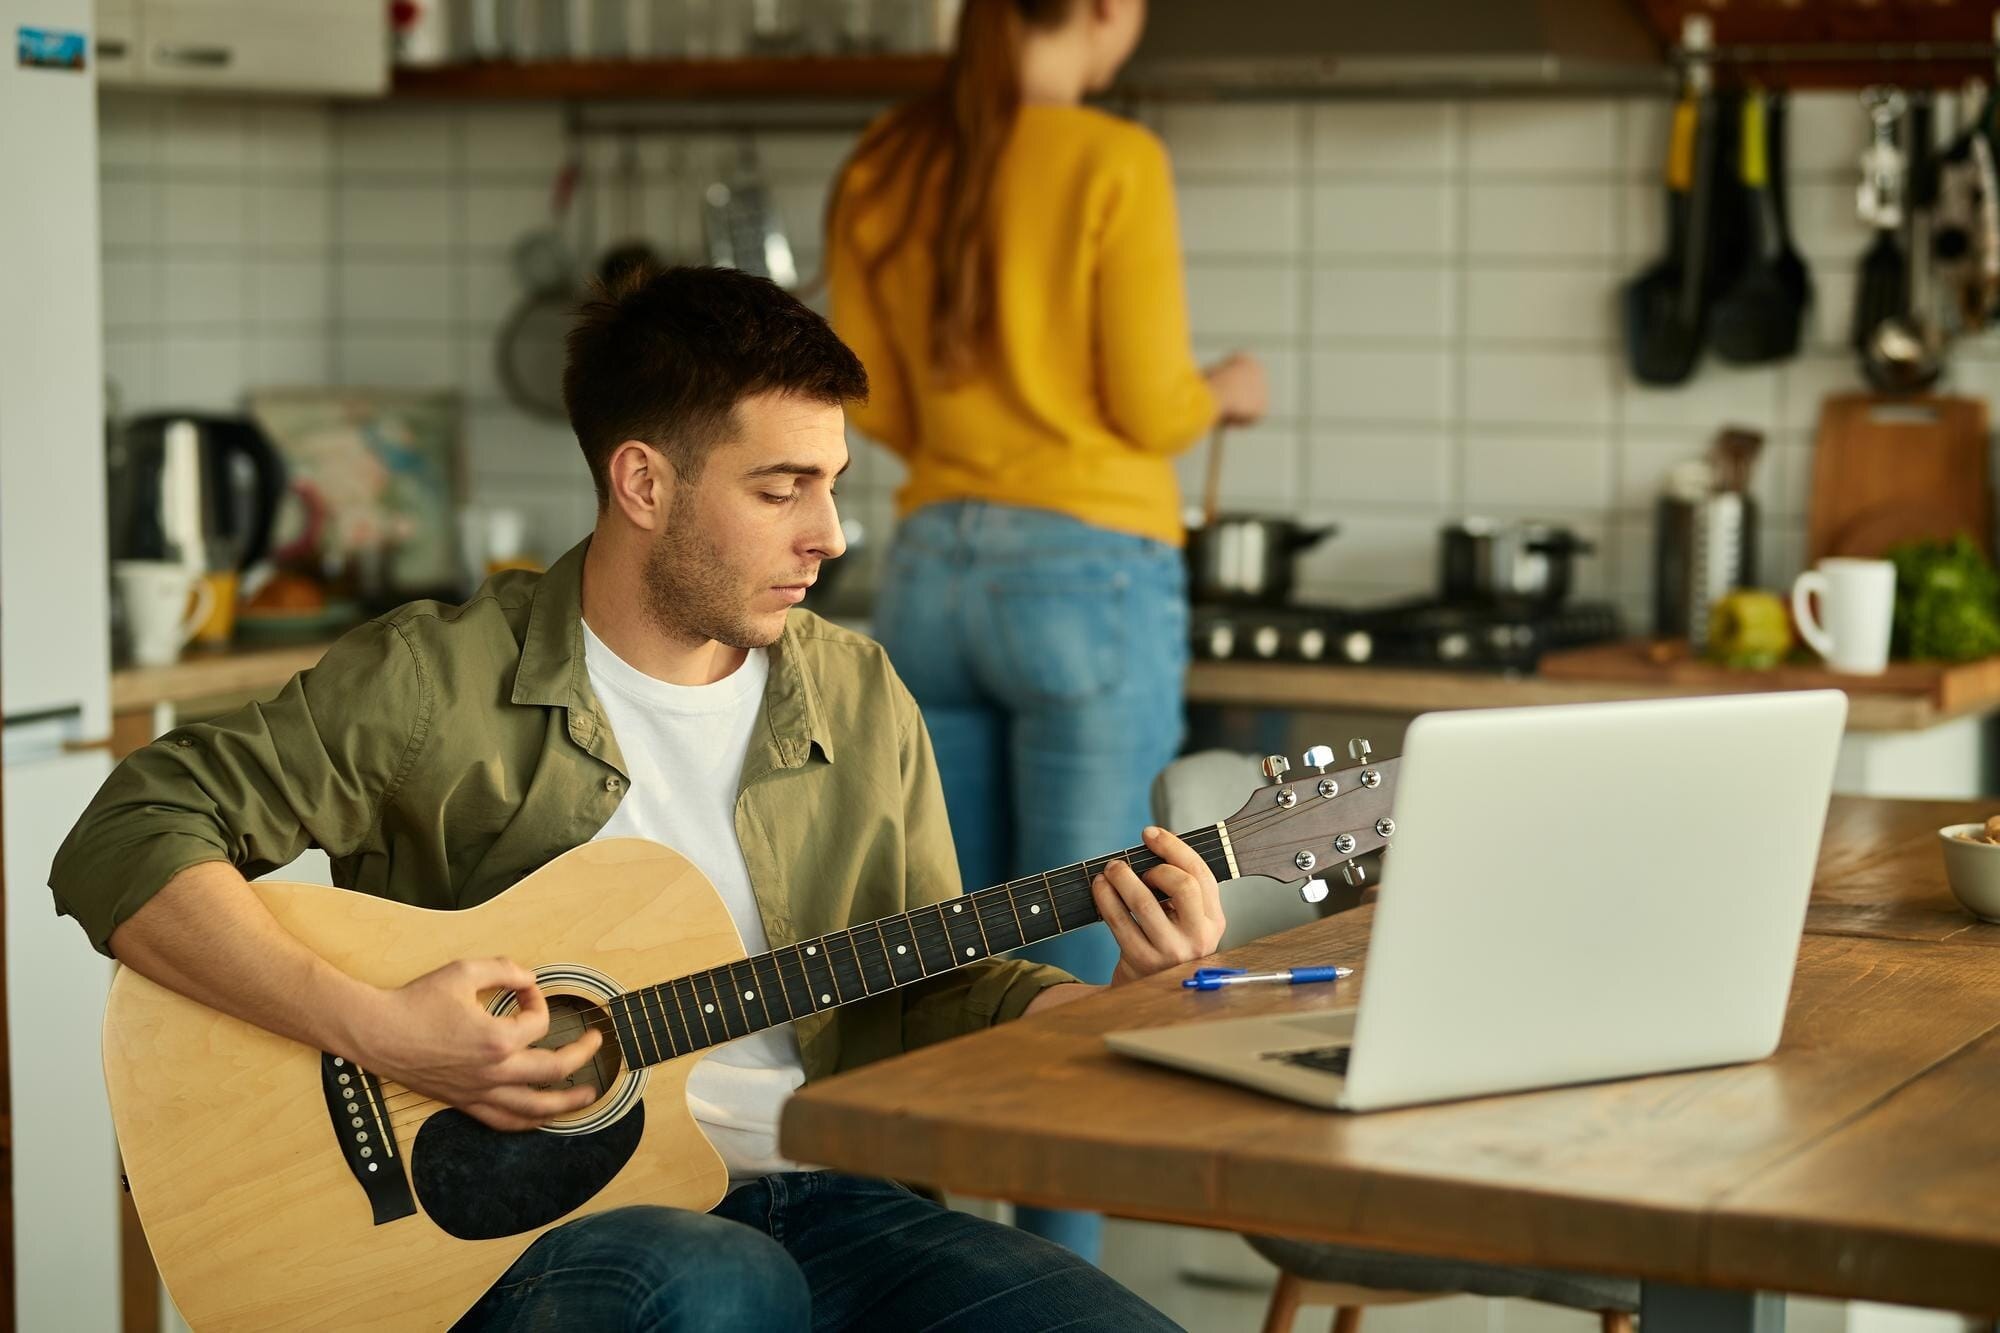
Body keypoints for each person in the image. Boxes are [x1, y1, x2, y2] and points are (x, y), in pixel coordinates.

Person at [48, 265, 1226, 1331]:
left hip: (828, 1200)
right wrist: (383, 1030)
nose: (828, 535)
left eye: (833, 486)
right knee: (721, 1286)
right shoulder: (434, 679)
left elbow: (927, 988)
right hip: (515, 1239)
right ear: (643, 482)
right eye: (782, 489)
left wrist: (1105, 1006)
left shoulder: (857, 693)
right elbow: (127, 832)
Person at [826, 0, 1268, 1260]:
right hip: (1087, 573)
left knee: (927, 953)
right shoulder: (1109, 160)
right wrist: (1223, 393)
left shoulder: (880, 162)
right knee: (1078, 967)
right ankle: (1044, 1292)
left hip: (928, 574)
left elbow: (874, 402)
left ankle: (897, 1269)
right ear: (1101, 10)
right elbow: (1145, 397)